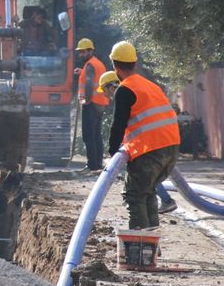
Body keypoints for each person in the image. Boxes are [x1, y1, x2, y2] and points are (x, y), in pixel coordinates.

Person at [107, 41, 181, 230]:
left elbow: (118, 125)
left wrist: (112, 154)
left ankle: (141, 247)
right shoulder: (150, 85)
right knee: (147, 193)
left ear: (115, 65)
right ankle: (150, 246)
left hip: (150, 151)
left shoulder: (125, 89)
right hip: (171, 149)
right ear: (134, 63)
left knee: (135, 196)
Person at [97, 70, 177, 214]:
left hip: (148, 146)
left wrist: (113, 150)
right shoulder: (135, 92)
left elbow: (119, 125)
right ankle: (159, 212)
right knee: (148, 181)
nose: (104, 94)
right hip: (159, 144)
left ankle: (165, 202)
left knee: (141, 185)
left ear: (112, 86)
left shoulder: (124, 94)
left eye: (104, 89)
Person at [74, 38, 110, 171]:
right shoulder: (97, 64)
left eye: (83, 52)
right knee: (96, 135)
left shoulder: (90, 65)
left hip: (91, 103)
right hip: (101, 103)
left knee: (88, 135)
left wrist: (86, 100)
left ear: (90, 51)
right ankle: (98, 163)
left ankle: (92, 165)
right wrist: (81, 72)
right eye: (80, 52)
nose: (81, 54)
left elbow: (89, 83)